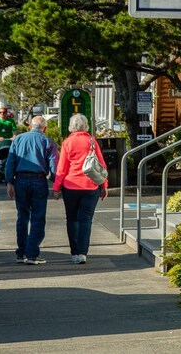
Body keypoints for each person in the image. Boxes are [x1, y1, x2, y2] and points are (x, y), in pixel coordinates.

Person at [53, 113, 108, 264]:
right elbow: (101, 165)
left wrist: (56, 188)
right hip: (90, 185)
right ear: (85, 126)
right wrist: (104, 185)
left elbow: (62, 168)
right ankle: (83, 253)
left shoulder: (67, 143)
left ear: (71, 126)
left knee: (71, 219)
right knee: (85, 220)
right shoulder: (92, 141)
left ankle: (74, 252)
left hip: (70, 186)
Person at [4, 116, 58, 265]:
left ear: (30, 127)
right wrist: (56, 184)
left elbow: (10, 161)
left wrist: (10, 181)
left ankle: (21, 253)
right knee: (38, 218)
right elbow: (54, 166)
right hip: (39, 180)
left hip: (20, 179)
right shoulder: (48, 142)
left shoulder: (18, 139)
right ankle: (32, 253)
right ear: (44, 128)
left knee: (22, 217)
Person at [0, 107, 18, 183]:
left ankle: (9, 174)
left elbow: (15, 130)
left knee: (9, 160)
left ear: (6, 113)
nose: (2, 114)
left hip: (8, 144)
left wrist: (14, 136)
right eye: (0, 112)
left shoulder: (10, 121)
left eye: (4, 112)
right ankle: (0, 174)